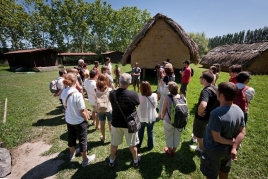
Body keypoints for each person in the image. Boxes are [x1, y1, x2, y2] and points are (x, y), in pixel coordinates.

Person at [201, 82, 246, 179]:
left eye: (217, 90)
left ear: (221, 95)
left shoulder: (216, 113)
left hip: (214, 151)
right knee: (224, 171)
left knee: (211, 175)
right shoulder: (239, 110)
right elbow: (242, 131)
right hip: (228, 151)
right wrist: (234, 147)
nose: (216, 92)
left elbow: (216, 137)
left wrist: (231, 142)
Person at [61, 72, 95, 167]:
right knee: (82, 140)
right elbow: (82, 111)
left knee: (71, 136)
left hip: (69, 119)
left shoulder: (64, 92)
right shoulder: (78, 94)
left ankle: (72, 153)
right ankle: (85, 160)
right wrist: (87, 118)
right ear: (75, 81)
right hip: (79, 121)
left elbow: (64, 106)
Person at [109, 73, 140, 168]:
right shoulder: (133, 94)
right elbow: (137, 103)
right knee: (132, 145)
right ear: (129, 83)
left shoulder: (112, 93)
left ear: (119, 81)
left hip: (116, 123)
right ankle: (135, 161)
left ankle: (111, 160)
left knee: (114, 144)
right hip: (129, 124)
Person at [190, 71, 218, 152]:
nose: (200, 79)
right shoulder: (215, 88)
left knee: (199, 133)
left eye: (201, 78)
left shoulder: (206, 91)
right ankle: (196, 137)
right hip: (210, 115)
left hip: (202, 117)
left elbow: (203, 105)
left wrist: (199, 112)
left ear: (204, 79)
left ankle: (201, 148)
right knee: (203, 130)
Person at [161, 81, 186, 156]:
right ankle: (174, 150)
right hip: (181, 121)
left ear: (169, 89)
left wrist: (162, 117)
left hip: (169, 121)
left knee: (169, 135)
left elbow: (163, 110)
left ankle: (169, 150)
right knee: (177, 135)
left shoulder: (167, 97)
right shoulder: (183, 97)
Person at [136, 81, 158, 150]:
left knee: (140, 131)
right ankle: (150, 146)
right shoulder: (154, 95)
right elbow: (155, 105)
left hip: (142, 116)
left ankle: (138, 144)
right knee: (150, 131)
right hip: (151, 116)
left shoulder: (139, 97)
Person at [95, 74, 113, 142]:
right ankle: (112, 138)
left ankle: (104, 137)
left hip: (100, 109)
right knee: (110, 125)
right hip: (108, 108)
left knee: (102, 124)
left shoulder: (95, 89)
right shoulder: (110, 90)